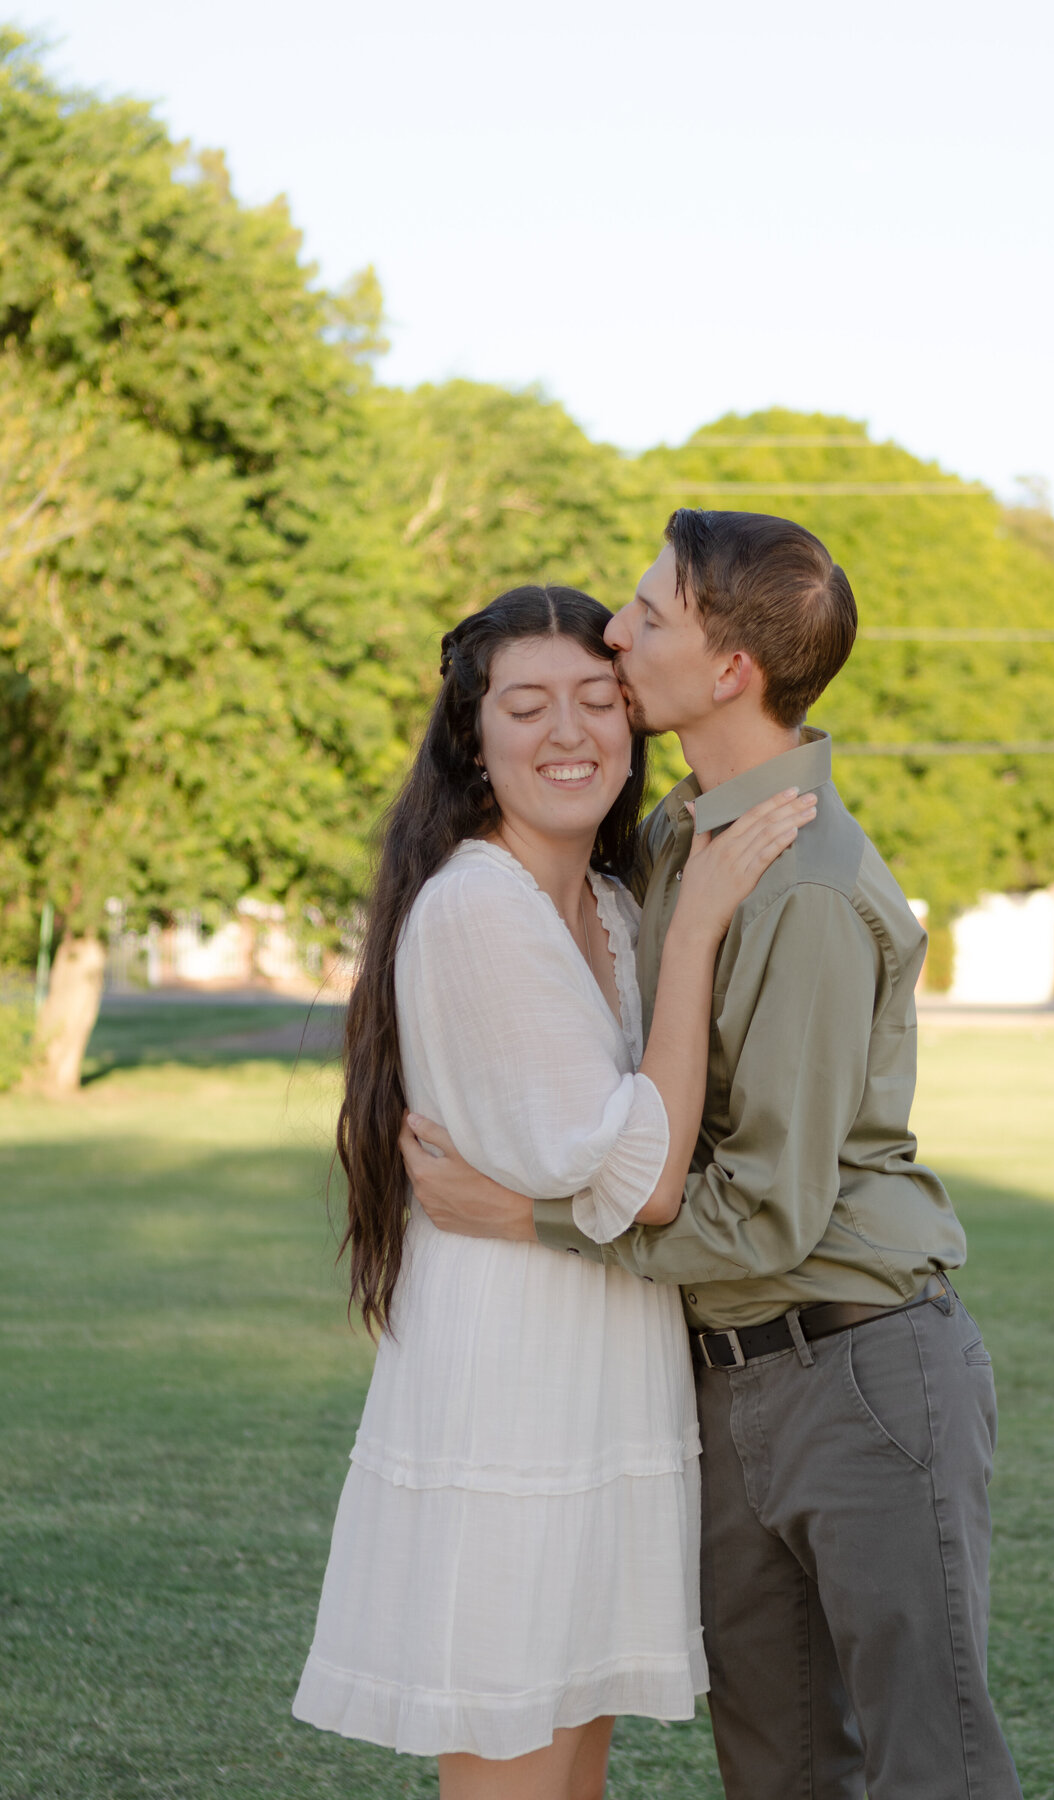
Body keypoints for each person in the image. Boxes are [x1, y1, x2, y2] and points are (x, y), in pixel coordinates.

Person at [401, 513, 1024, 1800]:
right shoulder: (680, 842)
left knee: (931, 1768)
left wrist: (530, 1221)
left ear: (730, 669)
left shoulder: (795, 885)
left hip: (858, 1363)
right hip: (727, 1379)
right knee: (779, 1771)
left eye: (648, 616)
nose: (617, 634)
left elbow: (768, 1216)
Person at [291, 582, 815, 1800]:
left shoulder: (615, 910)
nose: (568, 732)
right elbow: (641, 1176)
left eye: (597, 699)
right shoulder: (481, 907)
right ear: (474, 741)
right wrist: (702, 943)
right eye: (526, 706)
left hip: (605, 1382)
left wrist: (671, 937)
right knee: (517, 1774)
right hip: (513, 1395)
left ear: (634, 728)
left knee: (571, 1771)